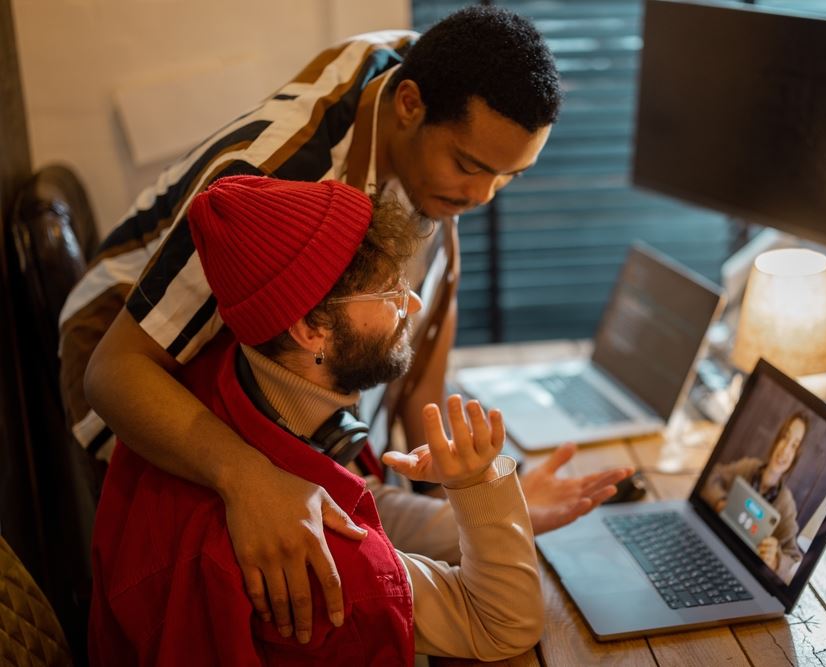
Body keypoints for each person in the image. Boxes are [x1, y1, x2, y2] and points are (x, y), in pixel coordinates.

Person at [60, 6, 631, 644]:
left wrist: (479, 507)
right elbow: (111, 373)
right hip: (133, 361)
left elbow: (422, 350)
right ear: (409, 107)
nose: (485, 195)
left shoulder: (436, 90)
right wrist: (248, 478)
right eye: (471, 167)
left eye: (511, 175)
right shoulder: (277, 177)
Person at [90, 175, 544, 664]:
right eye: (389, 293)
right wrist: (477, 485)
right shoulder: (313, 552)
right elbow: (503, 625)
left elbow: (359, 497)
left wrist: (507, 514)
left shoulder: (200, 390)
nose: (410, 305)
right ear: (311, 328)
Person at [700, 413, 807, 582]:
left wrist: (776, 560)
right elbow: (713, 476)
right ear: (777, 438)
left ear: (796, 456)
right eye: (785, 437)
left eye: (794, 446)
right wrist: (720, 501)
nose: (785, 450)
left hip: (745, 575)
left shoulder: (786, 505)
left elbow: (794, 559)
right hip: (715, 545)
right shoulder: (748, 467)